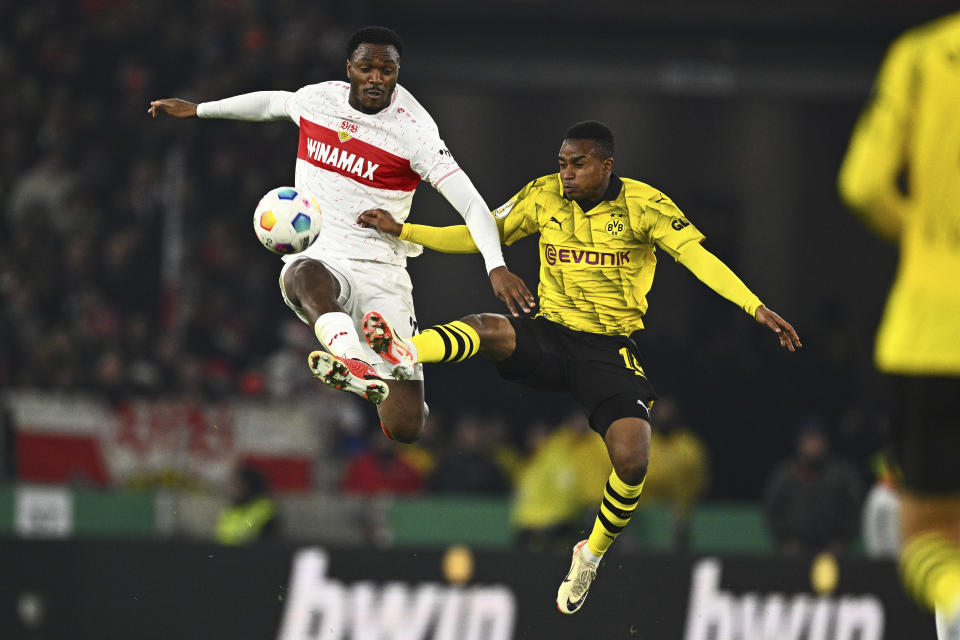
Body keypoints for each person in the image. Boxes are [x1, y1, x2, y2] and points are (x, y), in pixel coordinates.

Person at [357, 120, 801, 613]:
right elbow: (481, 234)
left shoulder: (645, 207)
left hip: (607, 351)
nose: (566, 172)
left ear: (607, 166)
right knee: (486, 327)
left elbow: (699, 259)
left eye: (578, 163)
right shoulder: (544, 196)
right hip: (551, 334)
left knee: (633, 460)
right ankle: (400, 352)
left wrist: (755, 308)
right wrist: (405, 230)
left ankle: (588, 555)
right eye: (562, 163)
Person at [148, 26, 533, 443]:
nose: (376, 78)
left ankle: (376, 374)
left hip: (381, 267)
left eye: (387, 69)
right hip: (322, 252)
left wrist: (496, 266)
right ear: (350, 68)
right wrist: (200, 109)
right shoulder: (320, 100)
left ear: (397, 72)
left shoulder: (415, 132)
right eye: (367, 67)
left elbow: (473, 205)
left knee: (406, 425)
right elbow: (274, 104)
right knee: (303, 275)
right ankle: (353, 363)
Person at [838, 11, 960, 636]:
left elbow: (862, 184)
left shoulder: (922, 54)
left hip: (933, 332)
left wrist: (921, 239)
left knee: (927, 534)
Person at [763, 424, 862, 555]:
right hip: (795, 552)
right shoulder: (786, 474)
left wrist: (843, 540)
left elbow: (854, 508)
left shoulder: (841, 474)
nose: (813, 446)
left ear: (825, 443)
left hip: (832, 552)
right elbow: (772, 509)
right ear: (800, 444)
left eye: (817, 441)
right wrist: (784, 540)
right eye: (809, 440)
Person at [215, 466, 280, 545]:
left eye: (234, 483)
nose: (229, 487)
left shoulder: (264, 508)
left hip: (253, 554)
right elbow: (221, 536)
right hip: (226, 553)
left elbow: (247, 534)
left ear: (246, 486)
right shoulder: (232, 508)